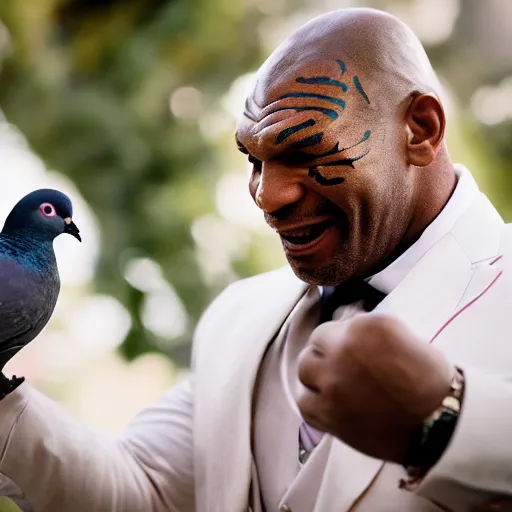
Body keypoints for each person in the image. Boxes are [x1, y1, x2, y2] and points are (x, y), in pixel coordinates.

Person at [0, 7, 511, 512]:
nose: (267, 195)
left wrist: (447, 421)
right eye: (254, 159)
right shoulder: (238, 318)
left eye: (305, 152)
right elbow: (143, 491)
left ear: (420, 130)